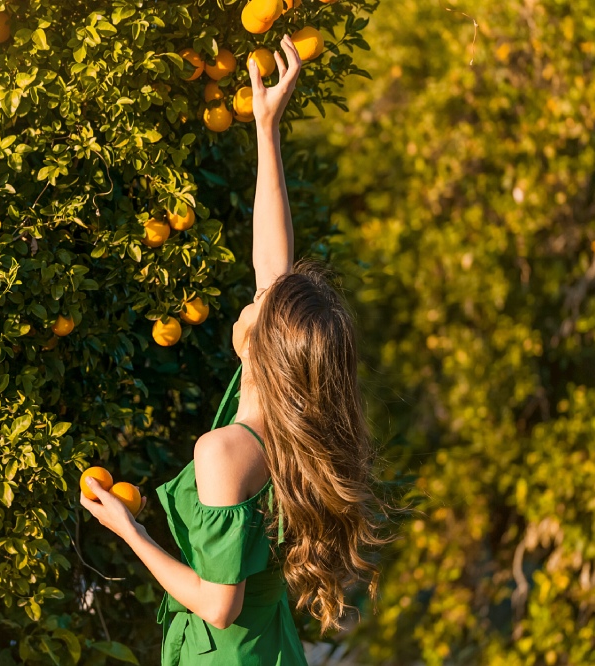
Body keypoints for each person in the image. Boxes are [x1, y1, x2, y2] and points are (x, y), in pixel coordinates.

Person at [81, 34, 386, 665]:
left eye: (262, 303)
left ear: (265, 349)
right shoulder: (294, 427)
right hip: (269, 646)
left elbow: (219, 604)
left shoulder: (224, 451)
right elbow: (272, 260)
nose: (254, 295)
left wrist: (129, 532)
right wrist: (266, 129)